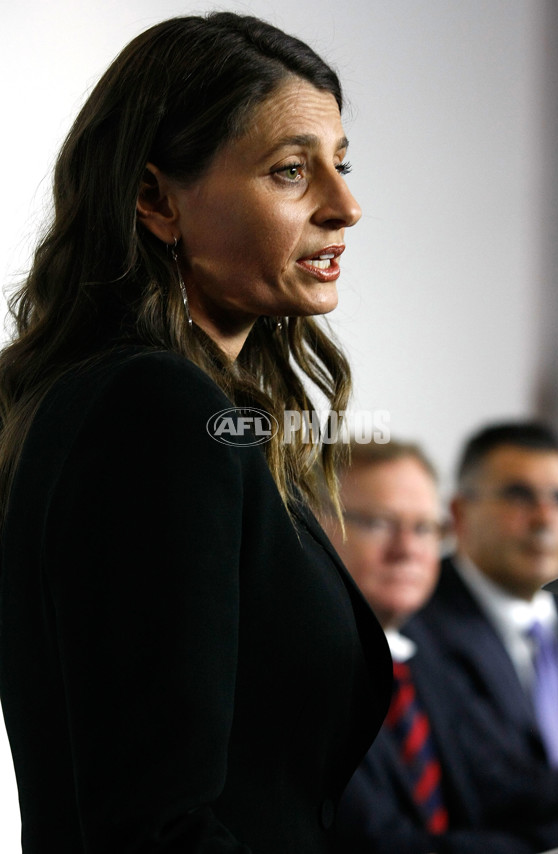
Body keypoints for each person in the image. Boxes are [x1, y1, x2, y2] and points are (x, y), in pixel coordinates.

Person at [0, 14, 392, 854]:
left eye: (341, 164)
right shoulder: (153, 413)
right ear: (156, 200)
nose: (346, 206)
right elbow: (154, 827)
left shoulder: (176, 406)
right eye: (292, 171)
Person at [324, 439, 550, 854]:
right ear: (314, 526)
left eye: (425, 528)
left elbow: (501, 786)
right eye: (378, 523)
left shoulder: (427, 662)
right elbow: (377, 844)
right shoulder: (305, 677)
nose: (407, 549)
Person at [411, 420, 558, 851]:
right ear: (459, 512)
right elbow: (488, 790)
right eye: (519, 495)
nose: (545, 518)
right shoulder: (411, 624)